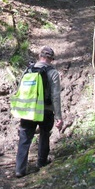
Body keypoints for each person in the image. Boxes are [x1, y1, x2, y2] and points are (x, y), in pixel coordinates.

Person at [15, 46, 63, 178]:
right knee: (44, 135)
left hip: (28, 110)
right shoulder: (53, 73)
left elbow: (20, 90)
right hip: (45, 111)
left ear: (39, 56)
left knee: (24, 138)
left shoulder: (28, 70)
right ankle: (41, 164)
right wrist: (58, 116)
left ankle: (19, 169)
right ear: (51, 59)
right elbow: (55, 96)